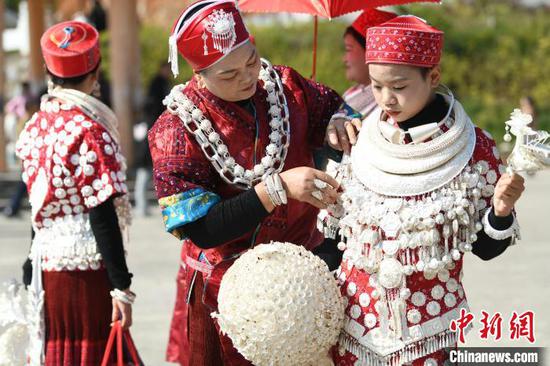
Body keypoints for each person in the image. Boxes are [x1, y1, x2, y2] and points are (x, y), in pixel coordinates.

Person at [147, 1, 360, 364]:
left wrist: (340, 120)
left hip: (306, 278)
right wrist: (277, 188)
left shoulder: (287, 87)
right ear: (199, 75)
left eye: (251, 60)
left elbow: (335, 109)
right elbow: (202, 229)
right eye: (228, 75)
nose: (247, 77)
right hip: (227, 292)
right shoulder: (175, 130)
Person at [319, 16, 525, 365]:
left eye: (398, 86)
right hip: (353, 336)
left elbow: (487, 249)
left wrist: (501, 210)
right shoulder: (358, 142)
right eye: (376, 86)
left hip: (429, 338)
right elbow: (331, 243)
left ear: (433, 77)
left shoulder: (473, 150)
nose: (386, 99)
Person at [15, 21, 135, 365]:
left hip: (45, 266)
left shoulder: (35, 126)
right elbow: (101, 213)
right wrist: (121, 286)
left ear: (52, 73)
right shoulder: (91, 130)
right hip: (87, 270)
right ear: (94, 73)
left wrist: (29, 258)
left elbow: (38, 203)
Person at [342, 9, 397, 118]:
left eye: (349, 49)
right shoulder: (350, 93)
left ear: (372, 52)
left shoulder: (389, 106)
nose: (344, 59)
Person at [134, 62, 172, 216]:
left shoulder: (163, 83)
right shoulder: (156, 84)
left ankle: (143, 205)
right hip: (150, 137)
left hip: (157, 134)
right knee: (143, 172)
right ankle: (141, 205)